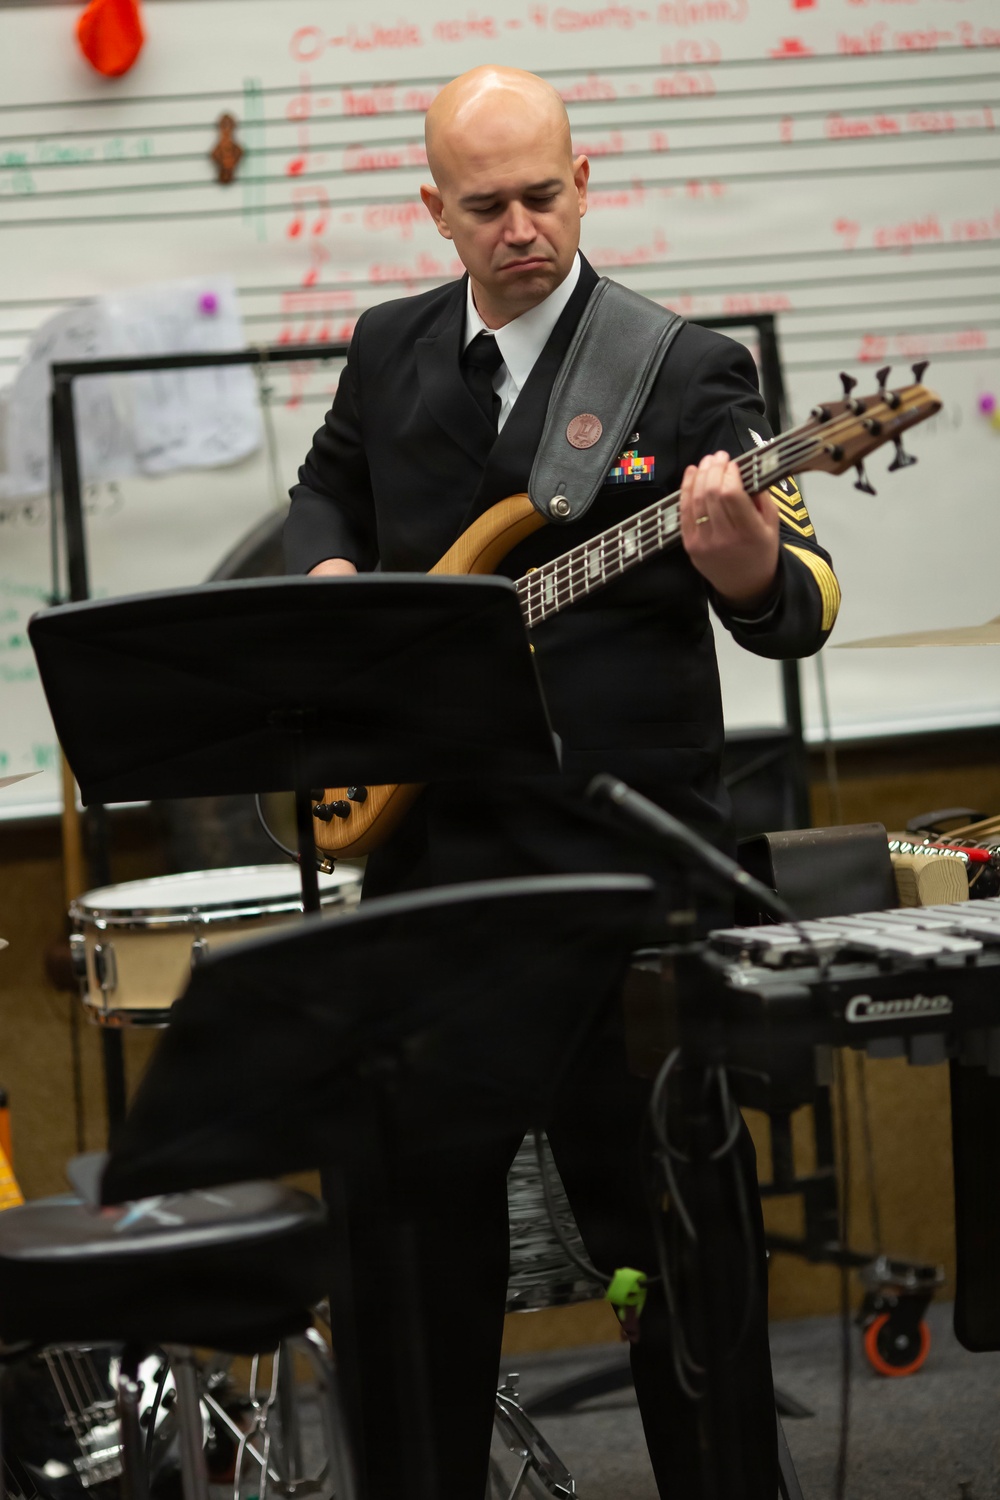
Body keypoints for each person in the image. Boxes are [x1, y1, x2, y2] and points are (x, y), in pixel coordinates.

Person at [285, 66, 839, 1500]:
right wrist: (333, 576)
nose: (522, 226)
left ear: (584, 181)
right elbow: (322, 494)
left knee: (673, 1238)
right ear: (436, 212)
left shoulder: (686, 368)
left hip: (629, 886)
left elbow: (807, 600)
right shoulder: (389, 348)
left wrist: (743, 558)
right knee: (420, 1250)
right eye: (487, 206)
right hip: (434, 870)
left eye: (544, 193)